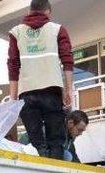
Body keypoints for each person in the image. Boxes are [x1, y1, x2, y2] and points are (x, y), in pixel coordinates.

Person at [8, 0, 74, 159]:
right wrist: (68, 90)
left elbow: (13, 65)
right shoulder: (57, 30)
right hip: (52, 92)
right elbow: (67, 60)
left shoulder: (16, 32)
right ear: (48, 12)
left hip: (27, 94)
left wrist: (13, 97)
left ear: (29, 11)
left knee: (37, 142)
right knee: (56, 141)